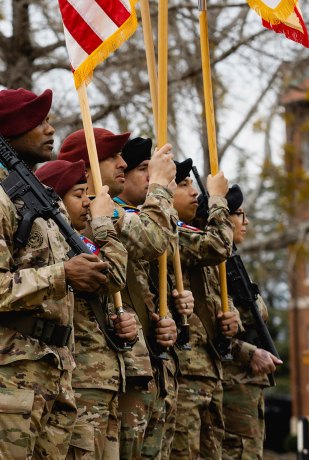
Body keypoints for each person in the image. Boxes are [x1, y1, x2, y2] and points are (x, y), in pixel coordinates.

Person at [0, 87, 111, 459]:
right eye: (39, 122)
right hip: (6, 371)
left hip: (50, 368)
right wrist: (63, 275)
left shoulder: (38, 197)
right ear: (11, 131)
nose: (50, 129)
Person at [58, 129, 187, 459]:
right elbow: (153, 239)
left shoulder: (105, 209)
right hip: (94, 372)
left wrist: (167, 316)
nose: (121, 162)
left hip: (126, 366)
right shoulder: (84, 213)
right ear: (86, 166)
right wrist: (158, 184)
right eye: (111, 157)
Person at [35, 159, 137, 459]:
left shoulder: (81, 243)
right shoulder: (58, 244)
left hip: (104, 381)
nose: (88, 203)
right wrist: (104, 225)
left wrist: (128, 325)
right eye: (78, 195)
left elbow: (106, 302)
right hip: (82, 383)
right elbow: (114, 276)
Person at [118, 137, 194, 459]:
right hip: (128, 373)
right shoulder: (113, 219)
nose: (151, 177)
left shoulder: (145, 221)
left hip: (157, 367)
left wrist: (174, 319)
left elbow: (149, 296)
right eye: (142, 169)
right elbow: (152, 240)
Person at [169, 160, 240, 460]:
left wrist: (232, 318)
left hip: (208, 366)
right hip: (184, 369)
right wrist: (218, 200)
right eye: (182, 184)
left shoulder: (183, 232)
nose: (193, 191)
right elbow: (219, 245)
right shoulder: (172, 233)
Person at [221, 185, 282, 460]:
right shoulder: (213, 264)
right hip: (230, 383)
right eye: (238, 214)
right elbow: (208, 331)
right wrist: (248, 352)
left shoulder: (232, 260)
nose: (245, 222)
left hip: (246, 385)